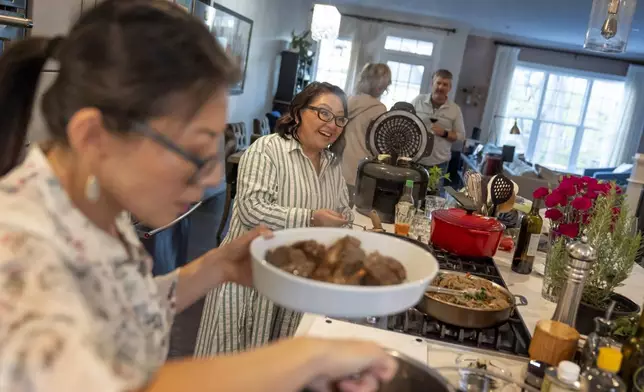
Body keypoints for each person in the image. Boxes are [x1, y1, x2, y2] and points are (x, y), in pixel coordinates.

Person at [0, 1, 397, 392]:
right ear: (93, 137)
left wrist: (215, 267)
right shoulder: (17, 248)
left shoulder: (97, 206)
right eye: (195, 151)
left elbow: (122, 308)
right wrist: (308, 357)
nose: (210, 177)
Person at [195, 82, 352, 356]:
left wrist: (343, 219)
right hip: (250, 279)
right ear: (300, 112)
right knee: (231, 370)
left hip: (297, 285)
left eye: (340, 119)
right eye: (324, 113)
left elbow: (342, 209)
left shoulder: (332, 165)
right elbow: (251, 209)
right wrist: (311, 219)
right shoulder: (268, 150)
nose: (332, 125)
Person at [341, 63, 392, 202]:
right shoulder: (379, 109)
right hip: (362, 168)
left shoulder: (348, 100)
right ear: (380, 85)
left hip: (340, 164)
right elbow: (381, 146)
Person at [410, 69, 465, 177]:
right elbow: (405, 121)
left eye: (445, 84)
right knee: (410, 188)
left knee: (433, 192)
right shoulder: (418, 100)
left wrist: (444, 133)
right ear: (432, 84)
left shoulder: (455, 109)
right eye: (438, 83)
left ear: (449, 88)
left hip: (439, 164)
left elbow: (461, 137)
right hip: (415, 159)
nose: (440, 87)